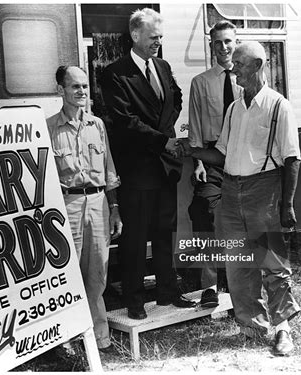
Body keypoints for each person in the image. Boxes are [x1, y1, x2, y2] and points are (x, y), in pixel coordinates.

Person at [179, 41, 301, 356]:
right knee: (238, 264)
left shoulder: (278, 106)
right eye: (233, 65)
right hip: (231, 192)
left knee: (272, 262)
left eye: (240, 65)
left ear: (258, 65)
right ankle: (252, 328)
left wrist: (286, 204)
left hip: (264, 190)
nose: (234, 71)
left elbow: (292, 159)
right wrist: (190, 151)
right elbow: (220, 154)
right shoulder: (235, 108)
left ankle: (283, 329)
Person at [101, 8, 195, 320]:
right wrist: (163, 139)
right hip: (138, 171)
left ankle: (169, 292)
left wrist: (166, 131)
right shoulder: (115, 73)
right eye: (154, 37)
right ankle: (135, 300)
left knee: (165, 233)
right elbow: (125, 121)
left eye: (161, 37)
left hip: (165, 167)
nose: (158, 42)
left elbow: (176, 98)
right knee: (136, 238)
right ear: (136, 35)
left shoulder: (163, 66)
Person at [47, 66, 122, 352]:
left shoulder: (97, 125)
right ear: (61, 91)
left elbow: (109, 169)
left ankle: (99, 338)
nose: (81, 92)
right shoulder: (48, 127)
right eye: (75, 86)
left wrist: (114, 209)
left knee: (98, 272)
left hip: (99, 203)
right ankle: (66, 339)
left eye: (84, 87)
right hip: (68, 204)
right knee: (68, 272)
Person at [187, 20, 241, 307]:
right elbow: (195, 127)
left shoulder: (248, 79)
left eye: (228, 41)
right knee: (202, 213)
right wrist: (198, 163)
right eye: (218, 42)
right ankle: (209, 285)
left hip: (243, 159)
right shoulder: (201, 82)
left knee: (240, 220)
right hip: (212, 160)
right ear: (212, 46)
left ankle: (238, 283)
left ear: (236, 42)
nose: (224, 47)